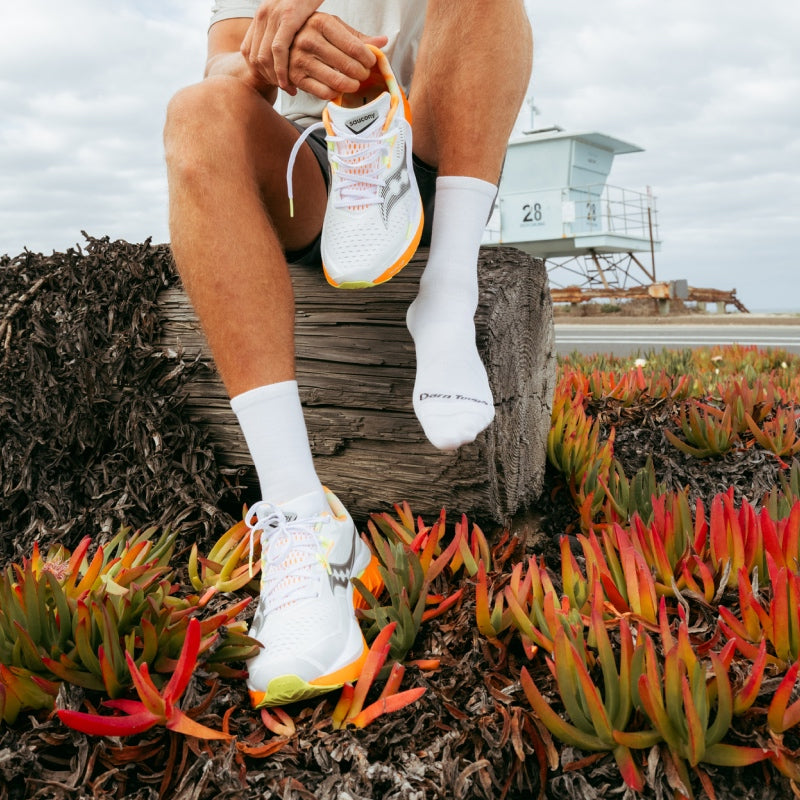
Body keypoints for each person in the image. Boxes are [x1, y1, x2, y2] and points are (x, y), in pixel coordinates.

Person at [163, 0, 532, 707]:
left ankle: (448, 294)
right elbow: (222, 64)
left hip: (434, 137)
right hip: (315, 163)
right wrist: (271, 54)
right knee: (196, 110)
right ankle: (302, 518)